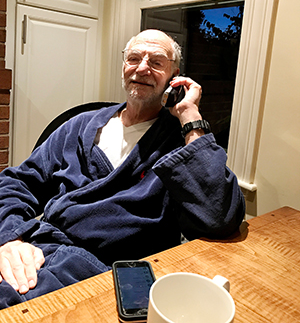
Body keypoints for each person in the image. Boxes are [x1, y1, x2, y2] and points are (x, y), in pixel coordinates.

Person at [0, 29, 245, 309]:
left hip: (103, 276)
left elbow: (220, 216)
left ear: (174, 77)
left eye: (156, 62)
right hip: (38, 249)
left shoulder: (181, 146)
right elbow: (16, 182)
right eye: (134, 58)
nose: (142, 68)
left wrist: (190, 116)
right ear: (123, 67)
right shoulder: (79, 126)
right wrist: (10, 238)